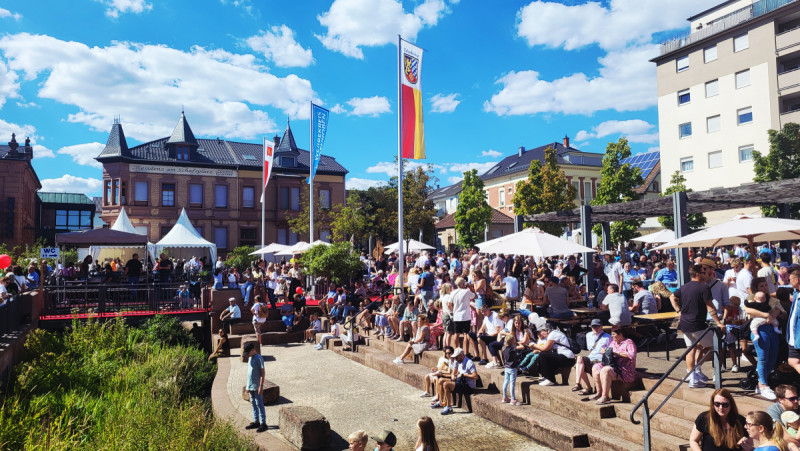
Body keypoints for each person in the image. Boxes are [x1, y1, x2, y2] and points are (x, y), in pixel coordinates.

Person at [671, 265, 724, 389]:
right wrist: (718, 322)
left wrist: (678, 311)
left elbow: (672, 297)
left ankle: (693, 375)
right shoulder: (704, 287)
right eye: (704, 272)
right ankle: (696, 370)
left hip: (685, 324)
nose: (706, 275)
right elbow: (710, 306)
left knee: (692, 348)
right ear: (698, 274)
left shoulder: (684, 286)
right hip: (697, 324)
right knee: (715, 347)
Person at [586, 326, 637, 405]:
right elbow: (608, 350)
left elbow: (632, 355)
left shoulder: (628, 342)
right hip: (614, 366)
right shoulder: (613, 343)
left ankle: (605, 397)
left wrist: (617, 353)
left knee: (605, 370)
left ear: (620, 335)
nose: (612, 336)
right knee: (596, 367)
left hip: (625, 370)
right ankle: (599, 393)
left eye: (613, 334)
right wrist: (604, 351)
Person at [529, 317, 575, 386]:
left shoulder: (552, 334)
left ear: (546, 330)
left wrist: (534, 345)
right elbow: (547, 349)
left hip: (567, 358)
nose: (539, 333)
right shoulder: (553, 334)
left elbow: (545, 349)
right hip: (564, 357)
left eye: (540, 331)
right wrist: (536, 349)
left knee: (543, 355)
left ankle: (550, 380)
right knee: (542, 356)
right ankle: (546, 377)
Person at [573, 319, 612, 395]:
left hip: (600, 359)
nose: (595, 328)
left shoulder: (608, 337)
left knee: (580, 365)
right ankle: (579, 384)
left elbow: (610, 350)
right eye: (593, 326)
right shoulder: (588, 335)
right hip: (591, 357)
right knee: (579, 359)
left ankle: (588, 388)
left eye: (597, 326)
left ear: (601, 327)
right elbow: (589, 348)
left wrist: (605, 350)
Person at [437, 347, 478, 415]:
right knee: (441, 380)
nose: (455, 359)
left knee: (446, 384)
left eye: (456, 357)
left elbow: (475, 376)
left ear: (462, 355)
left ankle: (449, 407)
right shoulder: (459, 361)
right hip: (461, 382)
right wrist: (454, 375)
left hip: (468, 386)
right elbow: (456, 372)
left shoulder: (469, 363)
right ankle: (442, 402)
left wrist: (464, 375)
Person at [242, 341, 268, 433]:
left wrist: (261, 386)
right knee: (253, 403)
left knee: (259, 403)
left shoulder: (259, 358)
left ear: (252, 350)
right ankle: (256, 421)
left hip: (257, 386)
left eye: (248, 353)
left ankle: (263, 423)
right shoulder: (250, 358)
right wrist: (247, 386)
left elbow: (262, 373)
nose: (247, 355)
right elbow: (249, 373)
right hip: (251, 386)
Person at [449, 277, 475, 353]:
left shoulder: (453, 292)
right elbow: (475, 296)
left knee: (456, 334)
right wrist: (470, 287)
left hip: (457, 316)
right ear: (463, 283)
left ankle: (456, 351)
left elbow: (449, 304)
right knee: (466, 334)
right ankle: (466, 352)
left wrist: (453, 311)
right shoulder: (466, 291)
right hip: (465, 316)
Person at [501, 334, 521, 406]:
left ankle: (505, 397)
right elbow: (522, 347)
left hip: (506, 368)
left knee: (505, 382)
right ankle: (513, 399)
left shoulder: (503, 347)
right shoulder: (512, 348)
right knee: (512, 383)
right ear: (512, 341)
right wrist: (519, 344)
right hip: (512, 368)